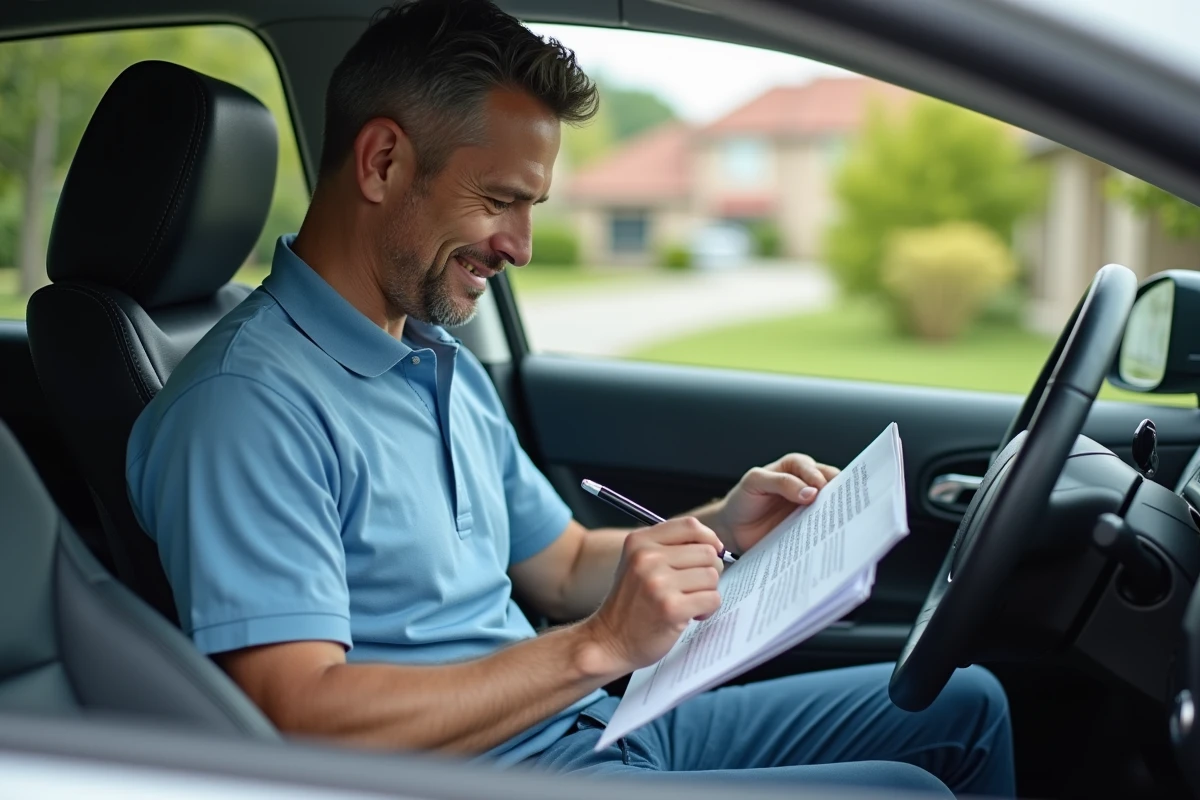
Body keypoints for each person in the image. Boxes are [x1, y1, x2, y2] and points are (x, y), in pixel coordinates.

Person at [126, 1, 1015, 795]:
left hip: (584, 725)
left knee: (964, 703)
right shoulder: (246, 408)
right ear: (385, 161)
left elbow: (560, 562)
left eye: (534, 205)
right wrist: (597, 649)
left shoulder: (434, 359)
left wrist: (725, 528)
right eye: (501, 201)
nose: (520, 244)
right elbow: (297, 717)